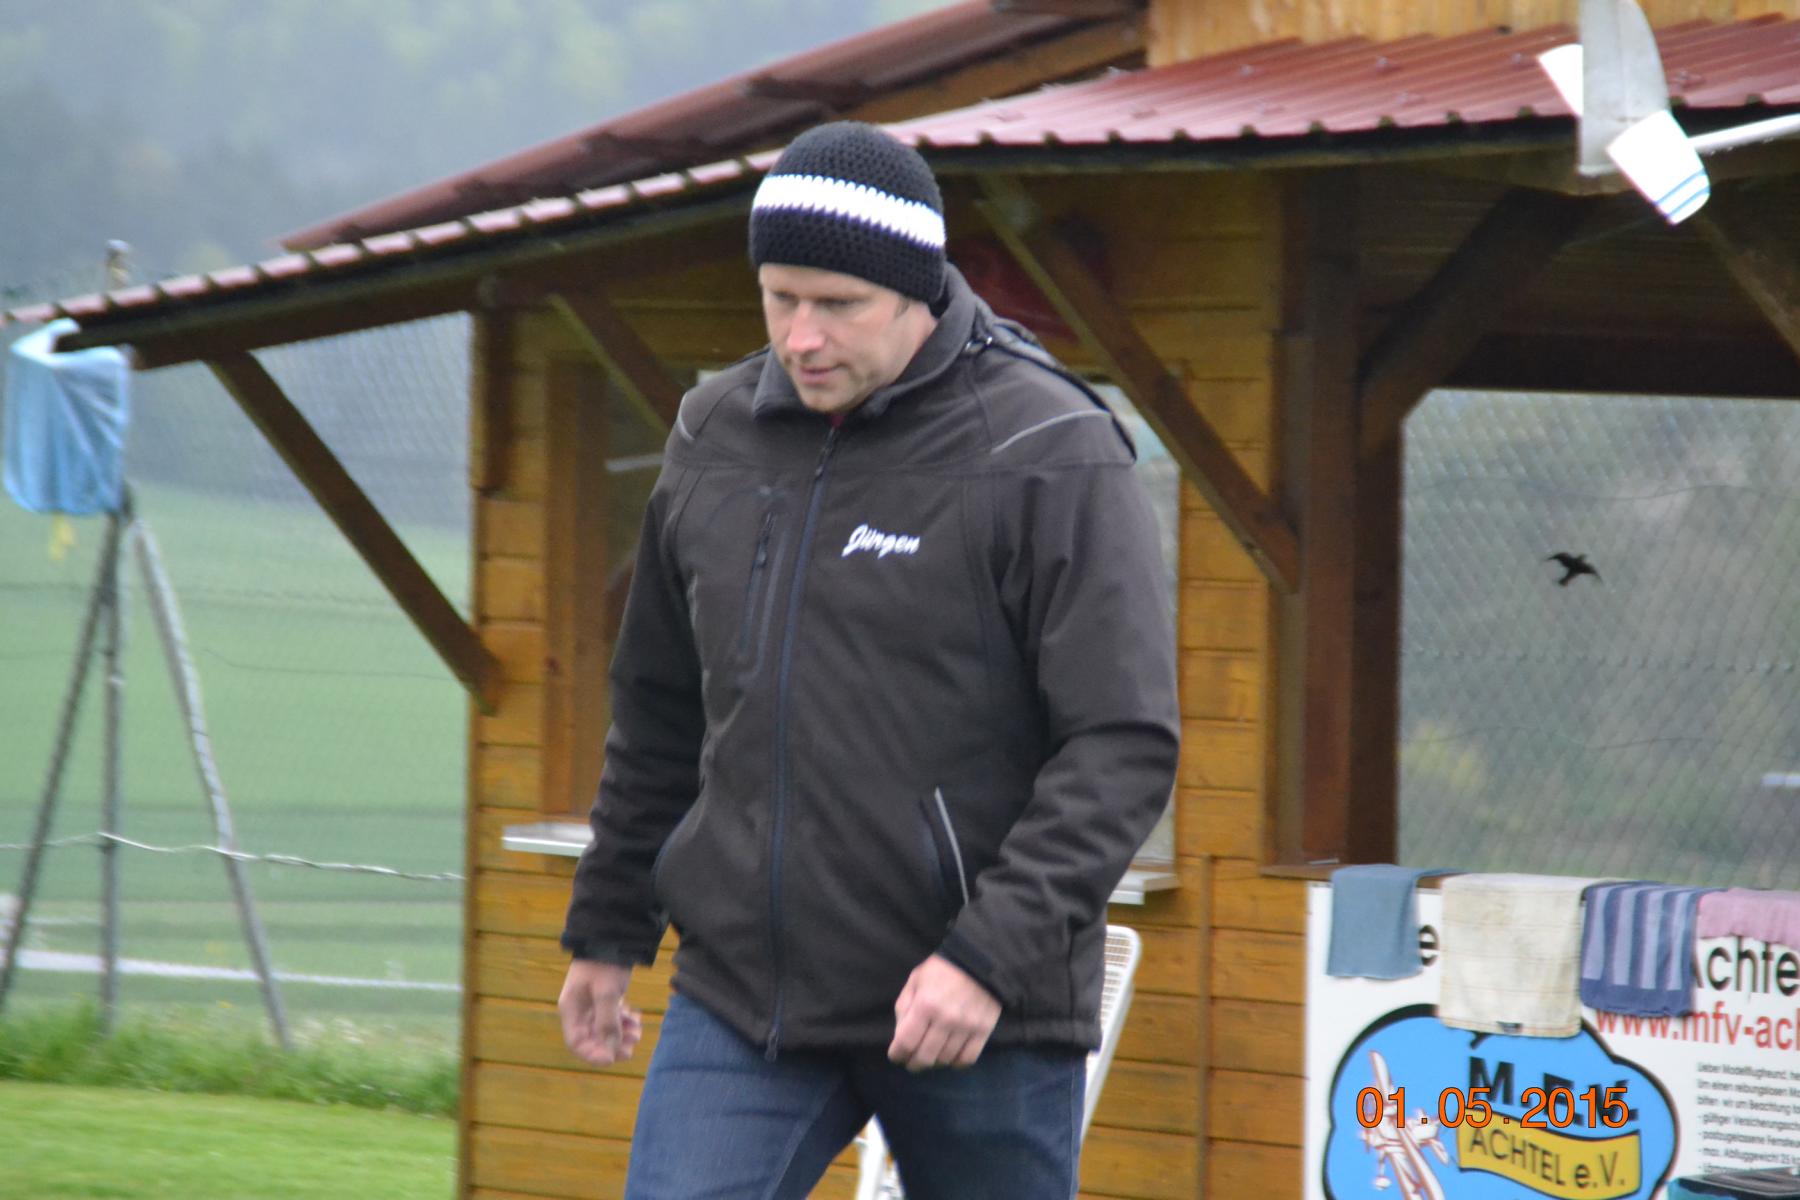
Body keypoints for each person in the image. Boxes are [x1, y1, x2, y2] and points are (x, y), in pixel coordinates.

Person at [557, 120, 1179, 1199]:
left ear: (917, 290)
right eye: (780, 299)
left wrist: (987, 958)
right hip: (744, 999)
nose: (801, 337)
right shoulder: (712, 435)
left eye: (838, 304)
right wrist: (610, 925)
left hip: (979, 1008)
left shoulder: (1047, 450)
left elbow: (1120, 743)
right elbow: (659, 710)